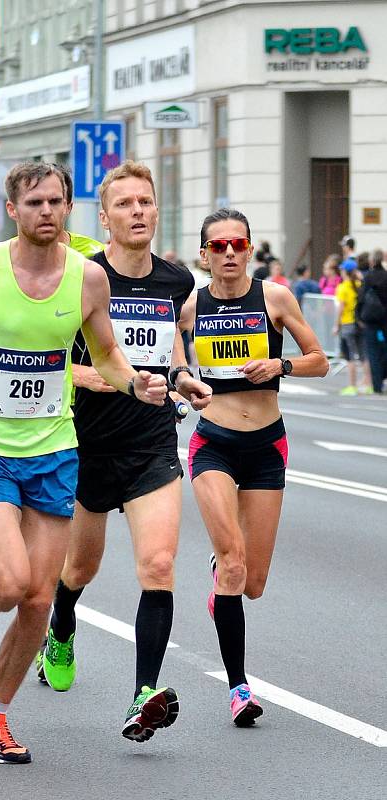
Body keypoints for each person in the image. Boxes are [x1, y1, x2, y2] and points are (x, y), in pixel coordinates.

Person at [0, 161, 169, 765]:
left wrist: (136, 383)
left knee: (38, 599)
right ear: (13, 210)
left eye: (57, 202)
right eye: (35, 203)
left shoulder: (87, 279)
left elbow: (107, 352)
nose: (48, 212)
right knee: (8, 583)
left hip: (55, 450)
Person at [37, 161, 212, 742]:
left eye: (146, 202)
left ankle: (143, 694)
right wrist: (117, 379)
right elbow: (56, 362)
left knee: (159, 566)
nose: (138, 212)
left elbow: (175, 346)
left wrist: (183, 377)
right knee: (80, 568)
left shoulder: (175, 281)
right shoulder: (81, 278)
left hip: (153, 443)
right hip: (87, 445)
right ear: (105, 218)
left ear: (157, 212)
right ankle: (59, 630)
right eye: (125, 204)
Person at [179, 208, 328, 727]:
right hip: (213, 443)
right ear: (204, 254)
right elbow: (167, 348)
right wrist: (181, 377)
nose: (228, 253)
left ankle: (224, 579)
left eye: (237, 244)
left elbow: (320, 359)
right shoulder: (192, 305)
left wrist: (280, 365)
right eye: (217, 246)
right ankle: (239, 687)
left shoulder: (275, 298)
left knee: (252, 582)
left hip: (268, 445)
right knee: (235, 562)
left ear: (249, 249)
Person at [334, 265, 372, 395]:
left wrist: (336, 325)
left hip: (347, 323)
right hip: (359, 323)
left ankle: (352, 386)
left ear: (345, 272)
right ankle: (369, 384)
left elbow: (340, 308)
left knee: (349, 356)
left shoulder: (343, 287)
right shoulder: (359, 284)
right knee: (363, 355)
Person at [356, 251, 387, 394]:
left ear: (372, 261)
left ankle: (377, 384)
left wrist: (359, 317)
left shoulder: (368, 277)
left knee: (372, 351)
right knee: (384, 350)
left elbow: (361, 298)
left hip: (370, 319)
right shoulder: (386, 276)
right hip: (384, 318)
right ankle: (383, 375)